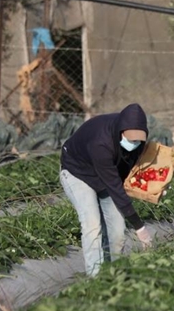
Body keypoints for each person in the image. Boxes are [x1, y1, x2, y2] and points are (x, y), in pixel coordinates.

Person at [60, 103, 154, 276]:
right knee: (92, 223)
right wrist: (140, 228)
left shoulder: (138, 142)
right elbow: (116, 188)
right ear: (121, 131)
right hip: (78, 173)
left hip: (106, 176)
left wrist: (157, 187)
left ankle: (114, 275)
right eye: (130, 138)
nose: (134, 143)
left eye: (138, 139)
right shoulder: (100, 143)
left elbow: (133, 172)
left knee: (118, 231)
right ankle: (96, 280)